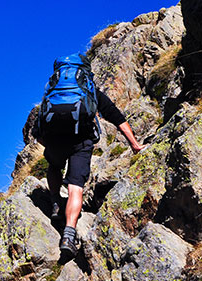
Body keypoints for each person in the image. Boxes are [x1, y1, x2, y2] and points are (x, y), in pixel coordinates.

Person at [32, 54, 145, 259]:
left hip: (55, 140)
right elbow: (116, 117)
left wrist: (50, 144)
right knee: (76, 188)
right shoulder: (90, 91)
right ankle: (68, 235)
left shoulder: (51, 92)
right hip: (82, 140)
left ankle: (56, 201)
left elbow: (36, 130)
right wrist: (135, 145)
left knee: (54, 167)